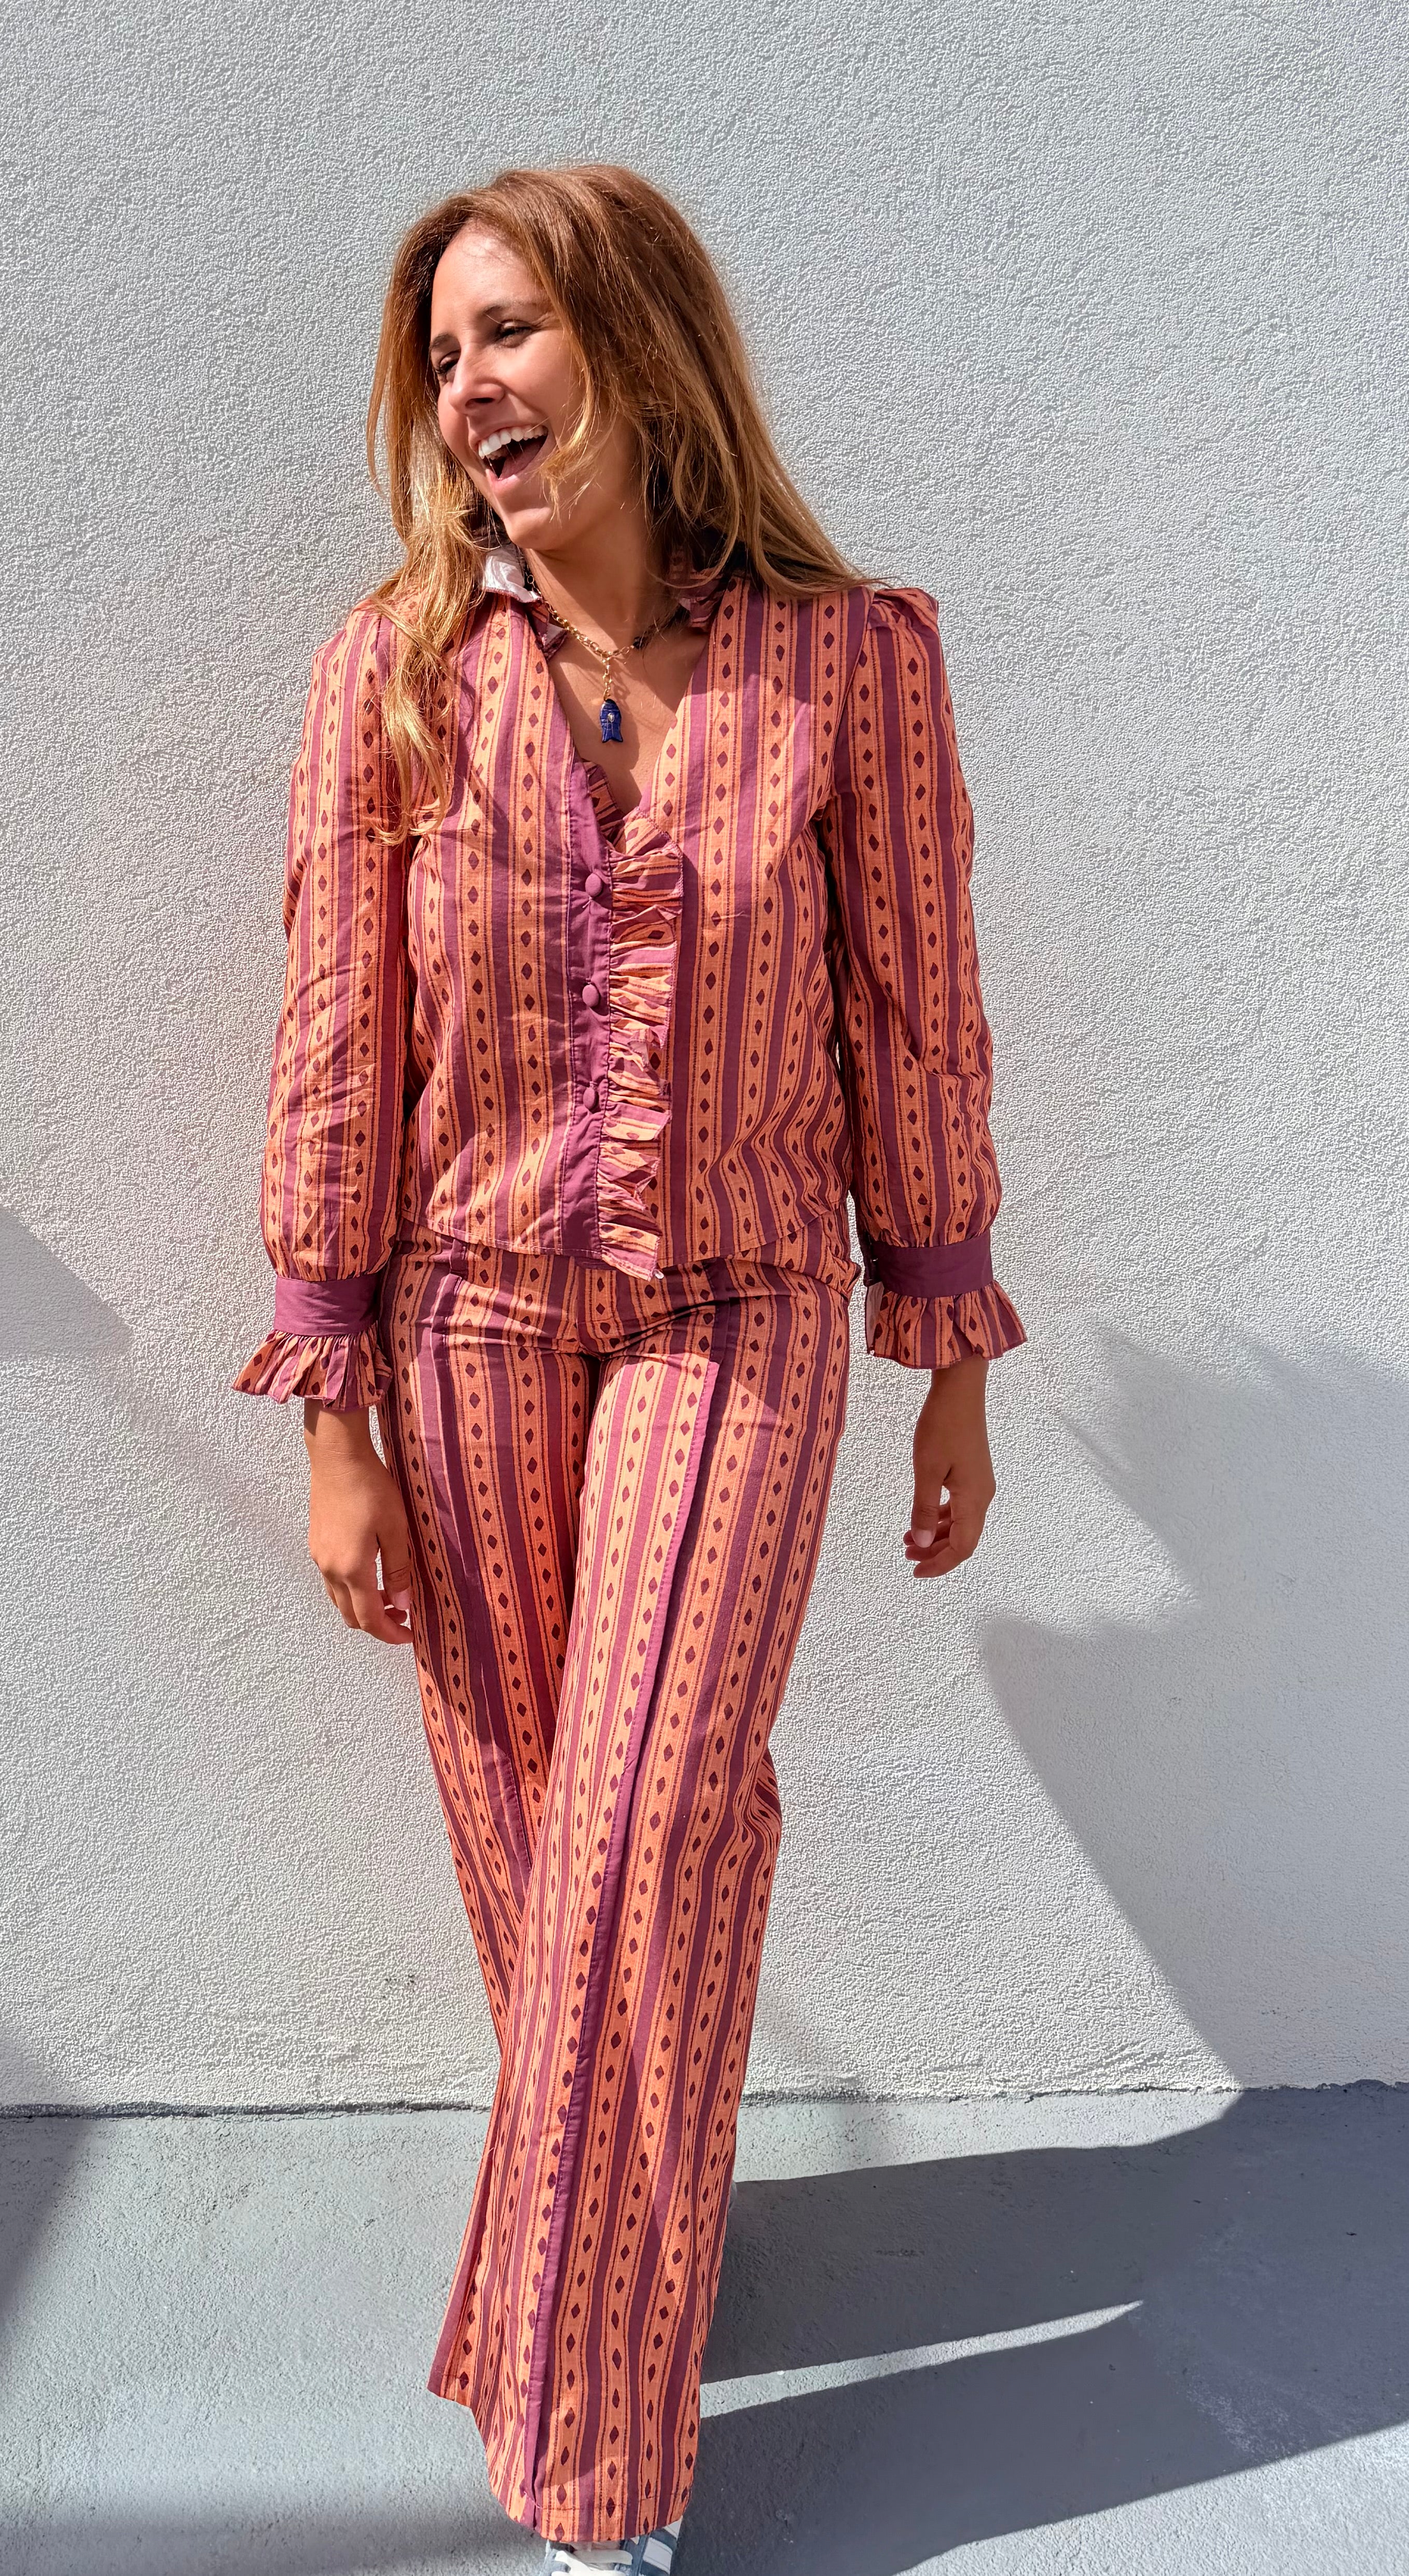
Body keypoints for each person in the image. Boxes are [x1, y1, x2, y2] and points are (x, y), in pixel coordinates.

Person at [233, 162, 1025, 2576]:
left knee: (646, 1821)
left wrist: (946, 1340)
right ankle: (649, 2229)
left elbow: (914, 1006)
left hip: (738, 1311)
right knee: (527, 1841)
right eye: (440, 353)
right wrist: (333, 1407)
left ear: (637, 343)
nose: (469, 386)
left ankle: (588, 2463)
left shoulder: (850, 662)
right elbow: (337, 1039)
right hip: (465, 1317)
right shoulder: (389, 673)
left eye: (512, 331)